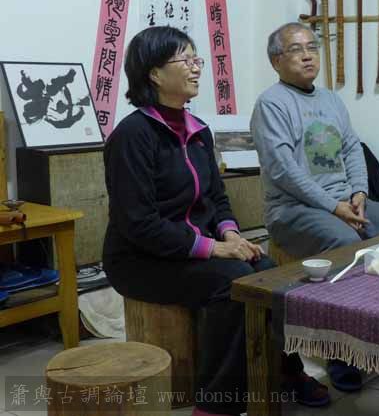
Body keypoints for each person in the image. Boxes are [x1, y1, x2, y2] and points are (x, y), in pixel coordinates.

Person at [103, 26, 330, 416]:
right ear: (154, 74)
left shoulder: (198, 131)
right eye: (186, 59)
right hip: (140, 259)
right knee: (232, 283)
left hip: (192, 247)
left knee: (269, 272)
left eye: (197, 59)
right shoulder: (132, 136)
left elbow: (216, 198)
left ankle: (286, 371)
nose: (196, 68)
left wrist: (230, 233)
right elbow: (139, 224)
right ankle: (215, 404)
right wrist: (214, 249)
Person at [251, 22, 379, 391]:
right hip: (293, 210)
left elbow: (352, 148)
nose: (307, 55)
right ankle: (341, 355)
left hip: (344, 203)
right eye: (296, 49)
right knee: (347, 244)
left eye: (312, 47)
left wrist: (360, 192)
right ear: (276, 61)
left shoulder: (331, 99)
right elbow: (283, 171)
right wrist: (334, 207)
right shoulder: (271, 103)